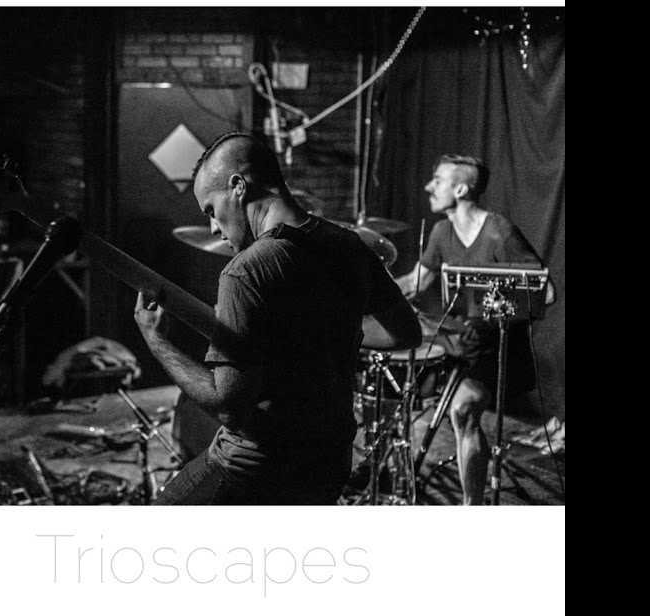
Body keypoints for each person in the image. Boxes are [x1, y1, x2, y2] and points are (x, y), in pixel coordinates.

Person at [134, 132, 422, 504]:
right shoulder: (350, 245)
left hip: (254, 469)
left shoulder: (246, 270)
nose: (213, 228)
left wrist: (157, 341)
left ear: (238, 186)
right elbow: (405, 333)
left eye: (210, 210)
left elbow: (230, 408)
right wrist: (325, 326)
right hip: (329, 465)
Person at [394, 154, 553, 505]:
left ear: (461, 190)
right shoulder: (442, 231)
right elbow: (417, 282)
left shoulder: (498, 231)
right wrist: (373, 290)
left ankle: (472, 507)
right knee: (457, 411)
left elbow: (546, 292)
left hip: (500, 349)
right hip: (466, 342)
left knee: (463, 410)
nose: (428, 187)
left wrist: (497, 309)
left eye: (438, 180)